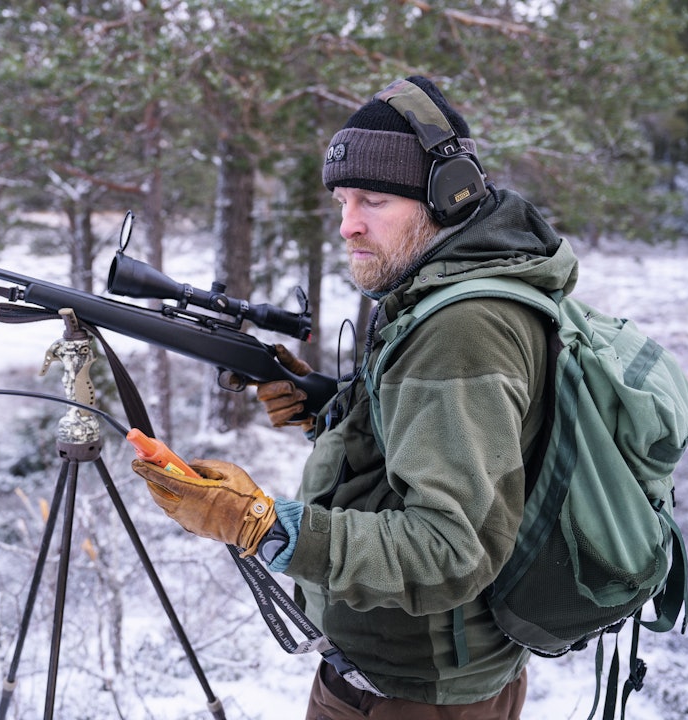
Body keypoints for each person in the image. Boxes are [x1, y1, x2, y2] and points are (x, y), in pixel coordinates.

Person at [132, 75, 580, 720]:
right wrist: (336, 413)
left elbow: (453, 550)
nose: (348, 226)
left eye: (372, 200)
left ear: (447, 200)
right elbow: (445, 449)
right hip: (408, 669)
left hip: (412, 691)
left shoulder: (461, 328)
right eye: (343, 200)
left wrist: (262, 523)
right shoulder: (445, 288)